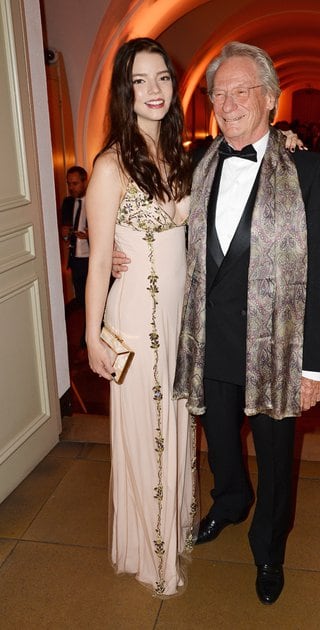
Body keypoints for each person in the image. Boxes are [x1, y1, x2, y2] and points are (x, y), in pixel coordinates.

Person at [111, 41, 320, 606]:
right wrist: (110, 247)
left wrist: (314, 368)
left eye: (241, 91)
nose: (227, 103)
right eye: (218, 93)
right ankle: (229, 501)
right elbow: (149, 220)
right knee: (221, 442)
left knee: (276, 454)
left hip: (276, 346)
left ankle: (269, 546)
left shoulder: (306, 168)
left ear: (270, 99)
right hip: (208, 338)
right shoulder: (197, 162)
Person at [85, 38, 198, 598]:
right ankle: (154, 559)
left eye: (162, 79)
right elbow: (100, 258)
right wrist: (90, 336)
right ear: (124, 94)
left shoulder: (179, 153)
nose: (154, 92)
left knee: (174, 425)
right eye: (140, 82)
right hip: (135, 320)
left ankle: (167, 530)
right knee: (148, 430)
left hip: (178, 321)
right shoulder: (111, 165)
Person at [61, 165, 89, 351]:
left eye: (75, 183)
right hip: (76, 260)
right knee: (81, 300)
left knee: (94, 299)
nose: (71, 188)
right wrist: (65, 234)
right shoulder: (68, 203)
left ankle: (89, 335)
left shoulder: (95, 201)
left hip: (92, 260)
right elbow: (65, 235)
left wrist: (90, 235)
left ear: (84, 181)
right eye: (69, 184)